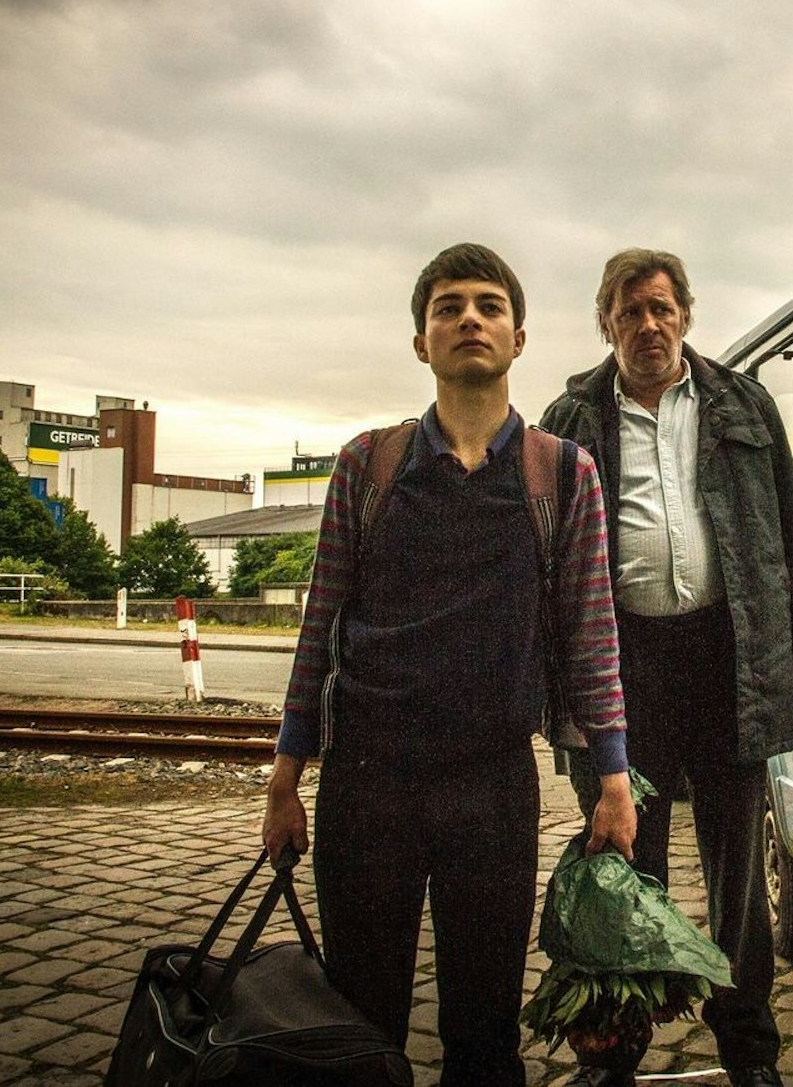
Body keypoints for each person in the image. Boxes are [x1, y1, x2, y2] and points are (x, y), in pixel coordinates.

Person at [263, 242, 637, 1087]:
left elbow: (589, 632)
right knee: (363, 1021)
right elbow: (319, 626)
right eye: (447, 307)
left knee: (482, 1024)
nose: (469, 318)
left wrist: (612, 777)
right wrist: (286, 775)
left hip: (492, 785)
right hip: (366, 783)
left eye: (488, 305)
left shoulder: (560, 473)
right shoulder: (370, 464)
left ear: (519, 337)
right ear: (420, 343)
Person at [540, 249, 793, 1087]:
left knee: (736, 872)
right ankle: (616, 1055)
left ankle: (749, 1051)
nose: (648, 325)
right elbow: (540, 567)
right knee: (622, 871)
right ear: (607, 321)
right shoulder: (568, 419)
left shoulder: (740, 403)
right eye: (630, 311)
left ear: (685, 315)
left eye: (662, 308)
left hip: (727, 657)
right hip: (618, 666)